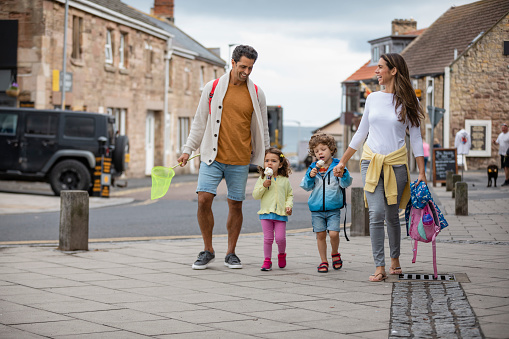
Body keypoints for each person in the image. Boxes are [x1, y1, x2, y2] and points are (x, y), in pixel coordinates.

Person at [333, 53, 426, 282]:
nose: (376, 71)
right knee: (376, 213)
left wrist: (422, 171)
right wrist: (343, 160)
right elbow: (361, 132)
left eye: (380, 67)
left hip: (396, 164)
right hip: (370, 162)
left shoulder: (408, 101)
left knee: (393, 216)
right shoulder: (373, 98)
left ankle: (395, 259)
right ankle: (379, 266)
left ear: (393, 70)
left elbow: (415, 137)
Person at [177, 45, 269, 270]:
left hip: (239, 160)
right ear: (233, 62)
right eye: (243, 66)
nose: (247, 71)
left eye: (251, 68)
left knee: (235, 205)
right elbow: (199, 122)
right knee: (203, 199)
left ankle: (231, 253)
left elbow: (263, 128)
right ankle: (207, 250)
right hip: (212, 157)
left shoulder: (256, 93)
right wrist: (188, 149)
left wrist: (266, 159)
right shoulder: (213, 87)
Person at [300, 133, 353, 273]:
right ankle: (323, 261)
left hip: (333, 208)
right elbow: (305, 186)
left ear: (331, 149)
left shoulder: (338, 165)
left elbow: (347, 182)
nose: (320, 153)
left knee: (334, 234)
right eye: (316, 151)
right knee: (320, 235)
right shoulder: (313, 168)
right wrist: (310, 177)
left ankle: (335, 253)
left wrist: (343, 174)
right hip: (316, 209)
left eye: (323, 149)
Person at [252, 148, 293, 271]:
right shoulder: (262, 179)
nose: (269, 163)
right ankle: (267, 260)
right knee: (268, 239)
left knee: (280, 239)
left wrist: (289, 206)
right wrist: (264, 186)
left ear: (280, 164)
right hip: (265, 213)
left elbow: (289, 195)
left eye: (273, 161)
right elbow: (255, 195)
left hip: (280, 213)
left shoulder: (285, 180)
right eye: (266, 161)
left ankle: (281, 254)